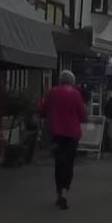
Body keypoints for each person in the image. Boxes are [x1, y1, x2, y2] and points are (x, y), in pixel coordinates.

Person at [39, 70, 87, 210]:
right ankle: (65, 191)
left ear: (60, 80)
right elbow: (83, 116)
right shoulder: (76, 94)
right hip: (72, 134)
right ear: (72, 82)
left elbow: (42, 111)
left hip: (56, 133)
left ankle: (59, 192)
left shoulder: (51, 92)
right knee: (69, 163)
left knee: (59, 163)